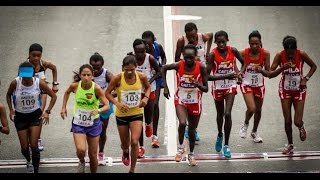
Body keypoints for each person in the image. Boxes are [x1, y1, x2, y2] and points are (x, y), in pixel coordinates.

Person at [256, 35, 317, 154]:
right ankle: (290, 145)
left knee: (297, 121)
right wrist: (282, 68)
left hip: (299, 89)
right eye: (288, 53)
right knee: (287, 121)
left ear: (296, 50)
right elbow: (270, 74)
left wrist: (306, 78)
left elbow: (314, 66)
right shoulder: (280, 55)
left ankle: (301, 126)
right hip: (285, 90)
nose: (290, 56)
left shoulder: (302, 54)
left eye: (292, 54)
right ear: (284, 50)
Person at [6, 61, 57, 173]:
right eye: (23, 77)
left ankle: (35, 169)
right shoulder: (15, 83)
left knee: (34, 145)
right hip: (20, 117)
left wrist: (47, 111)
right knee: (24, 148)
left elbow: (53, 96)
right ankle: (28, 160)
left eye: (28, 77)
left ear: (33, 75)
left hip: (35, 116)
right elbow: (8, 94)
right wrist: (11, 110)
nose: (26, 79)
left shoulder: (39, 83)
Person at [162, 44, 208, 166]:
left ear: (195, 57)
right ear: (183, 56)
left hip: (195, 102)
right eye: (186, 57)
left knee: (192, 130)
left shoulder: (201, 67)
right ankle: (180, 148)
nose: (188, 60)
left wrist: (198, 84)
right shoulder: (179, 65)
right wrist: (165, 87)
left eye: (191, 58)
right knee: (182, 123)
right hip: (180, 99)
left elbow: (206, 88)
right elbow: (164, 68)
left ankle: (191, 154)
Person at [60, 64, 110, 173]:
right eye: (84, 75)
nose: (86, 77)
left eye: (88, 75)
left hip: (94, 123)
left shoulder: (96, 88)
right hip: (78, 122)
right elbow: (67, 92)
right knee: (81, 150)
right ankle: (81, 161)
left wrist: (99, 110)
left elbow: (107, 105)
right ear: (80, 75)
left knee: (93, 155)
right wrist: (63, 107)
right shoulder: (75, 86)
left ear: (92, 76)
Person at [105, 54, 151, 173]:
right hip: (122, 114)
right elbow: (107, 93)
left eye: (132, 69)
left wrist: (145, 98)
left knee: (134, 141)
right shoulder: (117, 78)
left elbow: (148, 88)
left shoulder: (141, 77)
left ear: (136, 67)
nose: (129, 72)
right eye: (127, 70)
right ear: (122, 68)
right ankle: (125, 151)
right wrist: (117, 103)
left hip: (136, 112)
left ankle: (132, 169)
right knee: (125, 144)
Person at [206, 30, 246, 158]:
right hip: (218, 87)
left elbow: (244, 62)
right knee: (220, 114)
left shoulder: (232, 50)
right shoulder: (213, 55)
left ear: (227, 41)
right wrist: (225, 75)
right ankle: (219, 134)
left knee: (227, 114)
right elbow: (207, 76)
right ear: (216, 42)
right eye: (219, 42)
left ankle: (227, 145)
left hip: (230, 86)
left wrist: (240, 73)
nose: (221, 44)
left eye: (223, 42)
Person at [175, 22, 213, 141]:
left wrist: (207, 52)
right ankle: (184, 122)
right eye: (189, 36)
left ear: (197, 32)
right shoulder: (182, 40)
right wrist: (188, 60)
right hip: (186, 73)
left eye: (193, 36)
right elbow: (176, 59)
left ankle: (193, 129)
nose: (191, 39)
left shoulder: (203, 37)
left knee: (196, 101)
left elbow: (211, 35)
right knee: (184, 100)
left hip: (199, 74)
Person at [239, 31, 270, 143]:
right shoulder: (243, 53)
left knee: (258, 109)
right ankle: (245, 124)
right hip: (246, 84)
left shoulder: (265, 53)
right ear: (249, 43)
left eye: (256, 44)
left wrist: (261, 70)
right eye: (252, 44)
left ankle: (254, 132)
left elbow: (268, 72)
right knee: (252, 108)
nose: (254, 46)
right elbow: (231, 60)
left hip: (259, 85)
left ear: (260, 42)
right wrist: (239, 73)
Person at [132, 38, 161, 158]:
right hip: (136, 92)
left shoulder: (150, 59)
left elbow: (159, 72)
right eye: (137, 52)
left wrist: (149, 81)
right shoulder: (131, 59)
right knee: (138, 119)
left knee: (148, 116)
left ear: (146, 50)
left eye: (142, 52)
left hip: (150, 91)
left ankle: (149, 124)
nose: (140, 54)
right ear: (134, 51)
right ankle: (141, 147)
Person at [27, 43, 59, 151]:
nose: (36, 58)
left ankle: (37, 139)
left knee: (39, 114)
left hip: (42, 93)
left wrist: (55, 84)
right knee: (29, 116)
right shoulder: (25, 66)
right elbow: (20, 80)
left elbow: (54, 68)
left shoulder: (43, 64)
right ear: (29, 55)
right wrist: (39, 81)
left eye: (38, 56)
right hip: (29, 94)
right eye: (33, 55)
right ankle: (30, 139)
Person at [142, 31, 167, 148]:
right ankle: (148, 124)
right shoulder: (140, 52)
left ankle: (155, 136)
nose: (147, 47)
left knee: (155, 104)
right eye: (145, 44)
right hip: (142, 83)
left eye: (149, 44)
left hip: (155, 79)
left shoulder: (158, 47)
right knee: (145, 107)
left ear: (153, 41)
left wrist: (162, 66)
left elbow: (164, 57)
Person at [89, 52, 115, 166]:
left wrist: (105, 95)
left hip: (105, 107)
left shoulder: (107, 75)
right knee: (90, 131)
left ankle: (101, 152)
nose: (94, 70)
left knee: (102, 131)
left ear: (102, 65)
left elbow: (117, 89)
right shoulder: (87, 74)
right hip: (90, 107)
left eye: (97, 68)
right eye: (92, 67)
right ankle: (92, 153)